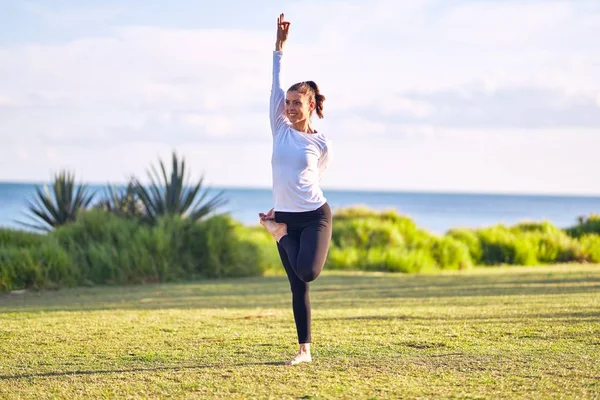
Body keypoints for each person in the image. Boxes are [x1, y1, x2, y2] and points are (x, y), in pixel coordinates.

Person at [258, 13, 333, 366]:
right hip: (285, 213)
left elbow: (314, 178)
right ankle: (304, 350)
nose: (289, 108)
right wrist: (279, 48)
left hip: (315, 216)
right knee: (297, 287)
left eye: (296, 103)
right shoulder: (279, 128)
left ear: (311, 106)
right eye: (286, 103)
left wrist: (278, 226)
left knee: (309, 273)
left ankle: (275, 234)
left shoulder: (321, 143)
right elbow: (274, 83)